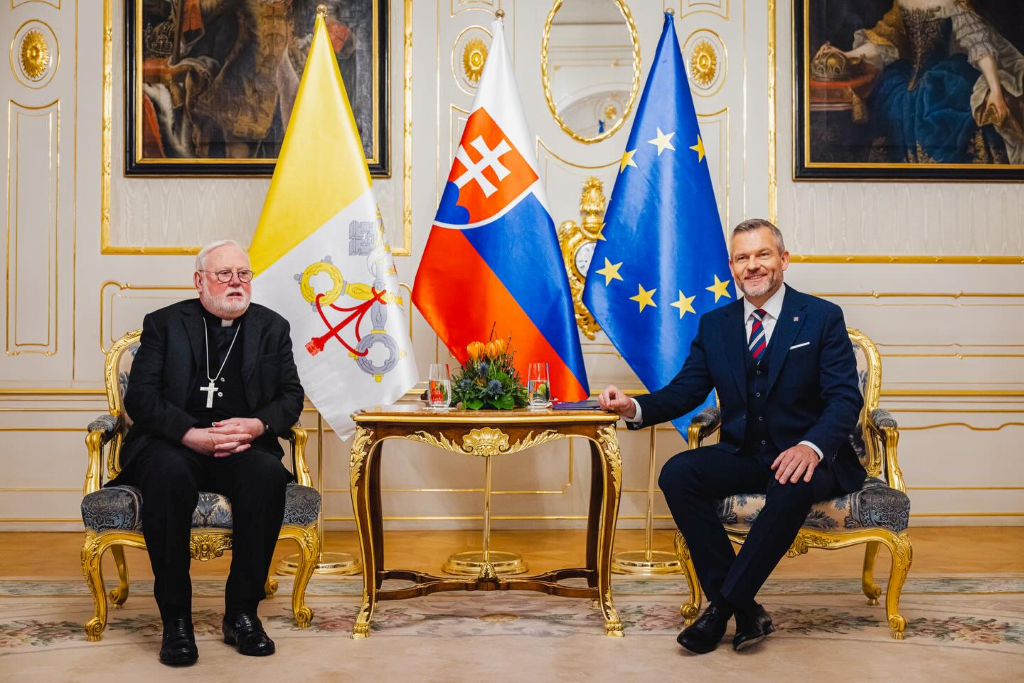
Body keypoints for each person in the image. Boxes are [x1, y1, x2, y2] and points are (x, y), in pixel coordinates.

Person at [598, 219, 864, 654]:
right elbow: (686, 390)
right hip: (746, 452)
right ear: (732, 267)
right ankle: (746, 609)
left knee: (790, 481)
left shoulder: (821, 317)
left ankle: (720, 609)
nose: (752, 265)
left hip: (813, 458)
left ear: (784, 259)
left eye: (762, 254)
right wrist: (634, 407)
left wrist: (810, 446)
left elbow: (844, 399)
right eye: (742, 258)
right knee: (678, 473)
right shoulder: (715, 324)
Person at [111, 240, 304, 666]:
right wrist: (188, 433)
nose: (237, 282)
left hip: (242, 445)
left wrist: (257, 425)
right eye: (224, 274)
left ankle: (242, 614)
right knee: (167, 475)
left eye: (243, 274)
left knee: (267, 476)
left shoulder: (272, 327)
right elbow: (140, 397)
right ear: (199, 281)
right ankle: (176, 621)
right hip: (172, 442)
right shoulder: (164, 323)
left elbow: (291, 396)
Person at [815, 0, 1024, 164]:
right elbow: (881, 43)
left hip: (944, 86)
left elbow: (979, 45)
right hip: (902, 85)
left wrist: (995, 91)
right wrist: (845, 54)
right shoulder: (901, 4)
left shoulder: (954, 3)